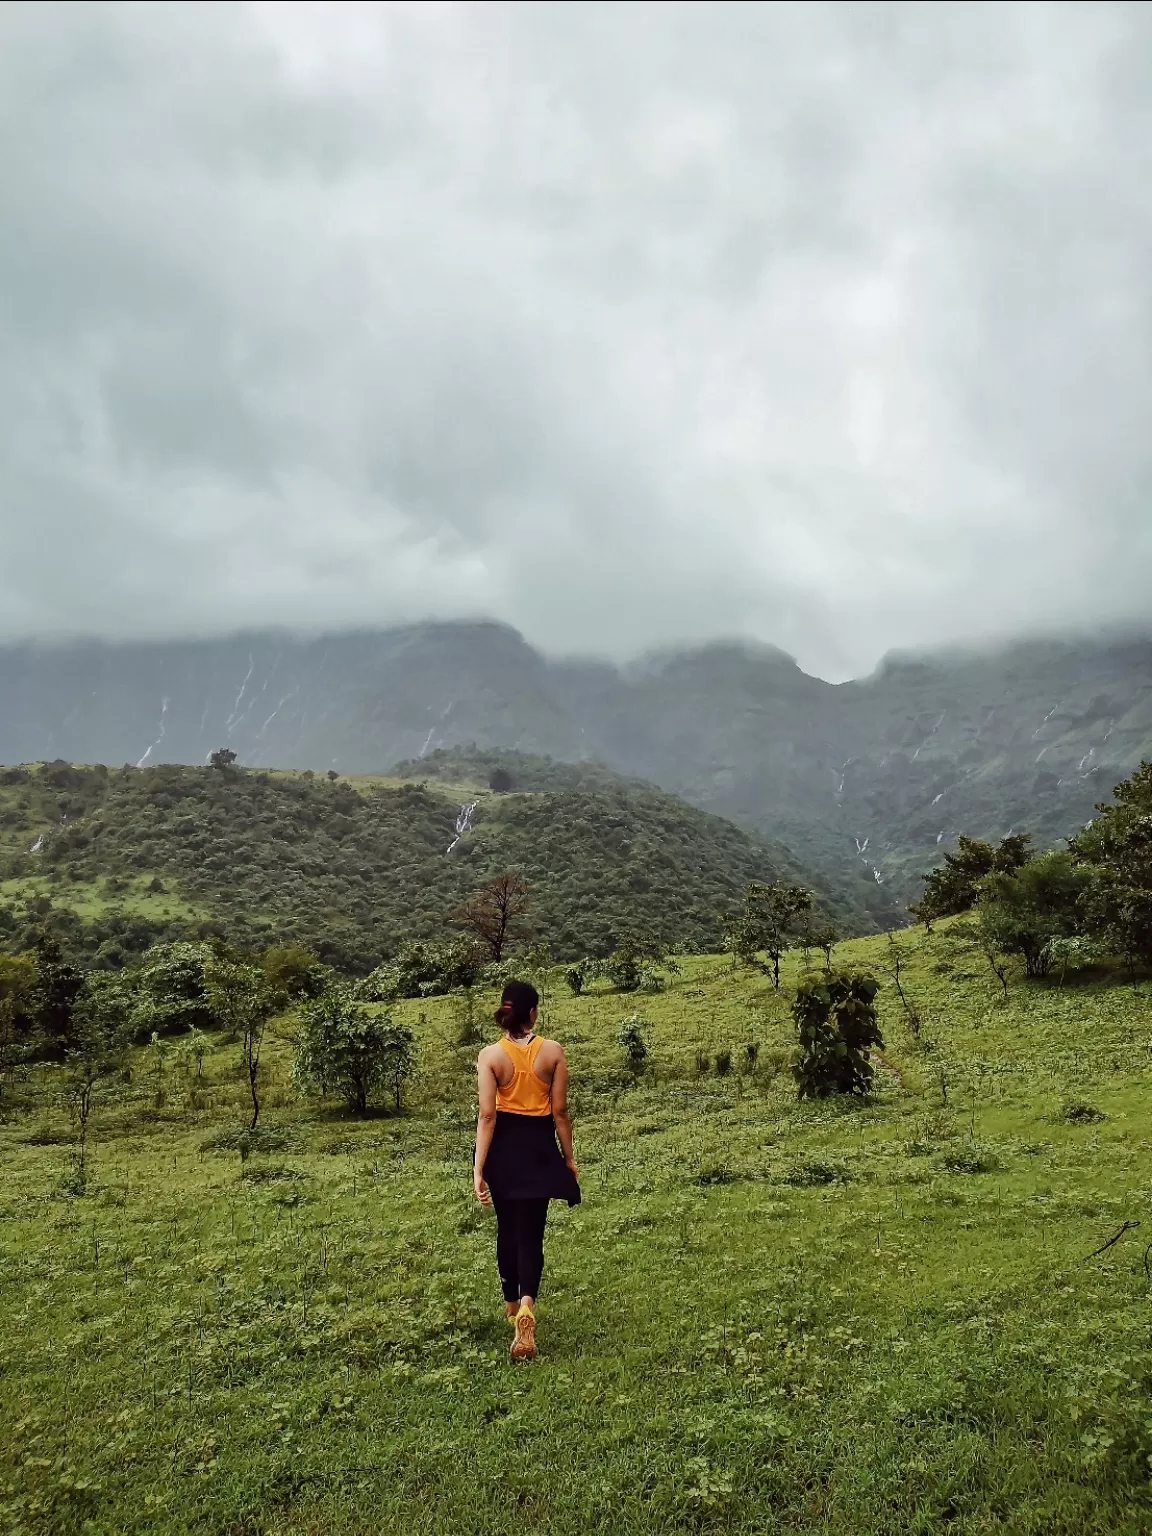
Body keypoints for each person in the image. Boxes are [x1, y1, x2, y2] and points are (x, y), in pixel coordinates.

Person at [473, 979, 580, 1360]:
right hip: (539, 1149)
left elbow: (487, 1116)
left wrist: (478, 1168)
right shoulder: (552, 1051)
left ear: (505, 1014)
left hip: (504, 1149)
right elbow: (561, 1113)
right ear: (533, 1012)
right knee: (532, 1233)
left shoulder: (490, 1056)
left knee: (508, 1230)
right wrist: (567, 1159)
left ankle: (510, 1306)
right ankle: (527, 1304)